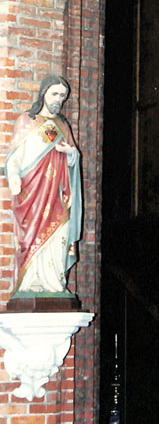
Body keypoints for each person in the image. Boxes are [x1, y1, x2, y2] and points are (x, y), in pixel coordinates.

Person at [5, 75, 82, 296]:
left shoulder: (63, 125)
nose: (59, 99)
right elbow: (14, 157)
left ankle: (54, 283)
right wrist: (14, 176)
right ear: (43, 93)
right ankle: (31, 282)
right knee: (32, 235)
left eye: (62, 96)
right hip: (32, 194)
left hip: (57, 195)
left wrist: (71, 154)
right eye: (54, 94)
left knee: (58, 237)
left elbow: (74, 159)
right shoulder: (26, 121)